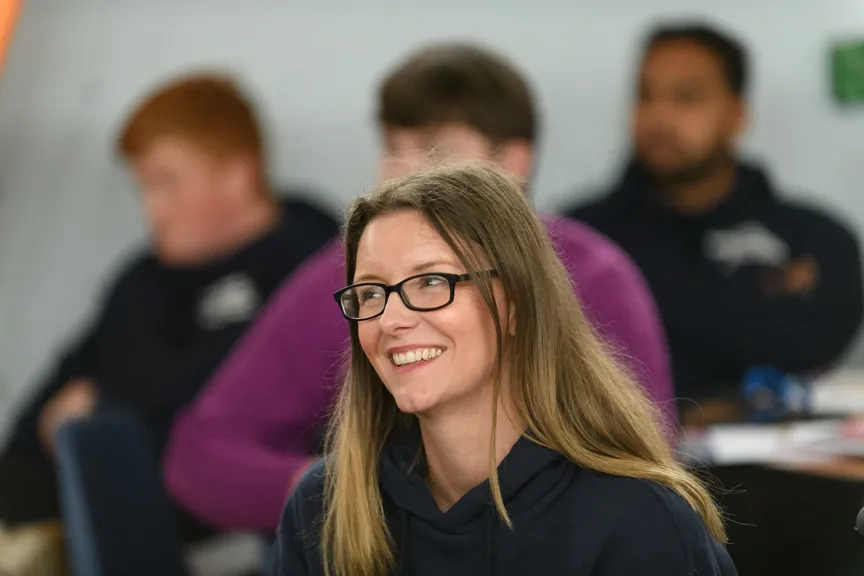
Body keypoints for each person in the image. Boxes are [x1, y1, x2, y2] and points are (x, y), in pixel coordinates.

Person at [163, 43, 675, 533]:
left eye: (434, 150)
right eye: (391, 148)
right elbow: (200, 453)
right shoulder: (340, 279)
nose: (401, 173)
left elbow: (642, 456)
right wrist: (343, 494)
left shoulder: (596, 277)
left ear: (514, 161)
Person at [273, 163, 735, 576]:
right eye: (371, 293)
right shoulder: (323, 507)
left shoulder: (639, 519)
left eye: (432, 281)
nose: (391, 320)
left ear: (515, 302)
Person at [0, 73, 338, 535]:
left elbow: (228, 427)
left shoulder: (320, 267)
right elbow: (39, 428)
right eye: (143, 188)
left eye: (167, 183)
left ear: (237, 176)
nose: (151, 209)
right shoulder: (141, 282)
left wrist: (104, 420)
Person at [565, 23, 863, 422]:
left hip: (787, 472)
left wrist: (655, 308)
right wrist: (752, 294)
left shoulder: (816, 237)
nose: (660, 115)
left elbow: (816, 341)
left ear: (737, 113)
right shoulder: (578, 239)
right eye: (645, 95)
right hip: (631, 470)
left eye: (686, 97)